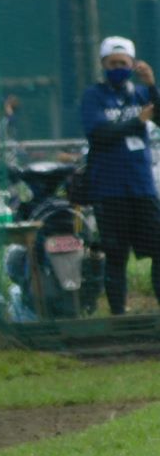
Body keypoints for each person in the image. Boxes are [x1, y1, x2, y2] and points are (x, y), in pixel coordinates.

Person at [80, 35, 160, 315]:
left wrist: (152, 85)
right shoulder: (94, 96)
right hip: (109, 189)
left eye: (123, 63)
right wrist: (136, 122)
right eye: (112, 63)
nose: (118, 68)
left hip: (141, 186)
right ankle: (118, 313)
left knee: (157, 248)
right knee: (116, 255)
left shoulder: (140, 94)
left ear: (132, 64)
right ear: (103, 64)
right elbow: (99, 133)